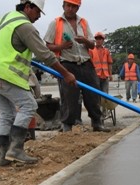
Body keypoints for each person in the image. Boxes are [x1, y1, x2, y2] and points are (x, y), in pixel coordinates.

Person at [0, 0, 76, 166]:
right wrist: (66, 74)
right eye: (37, 11)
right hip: (2, 73)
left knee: (7, 114)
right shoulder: (25, 26)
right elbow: (46, 55)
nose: (38, 16)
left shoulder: (8, 18)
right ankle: (16, 149)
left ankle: (2, 156)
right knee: (29, 105)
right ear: (28, 7)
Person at [44, 0, 110, 133]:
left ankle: (97, 122)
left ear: (78, 8)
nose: (70, 8)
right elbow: (48, 45)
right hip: (67, 63)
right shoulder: (55, 23)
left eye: (74, 6)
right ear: (63, 6)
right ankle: (67, 125)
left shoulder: (84, 22)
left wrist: (85, 40)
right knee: (69, 96)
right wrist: (61, 46)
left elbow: (92, 45)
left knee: (93, 94)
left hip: (86, 63)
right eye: (68, 5)